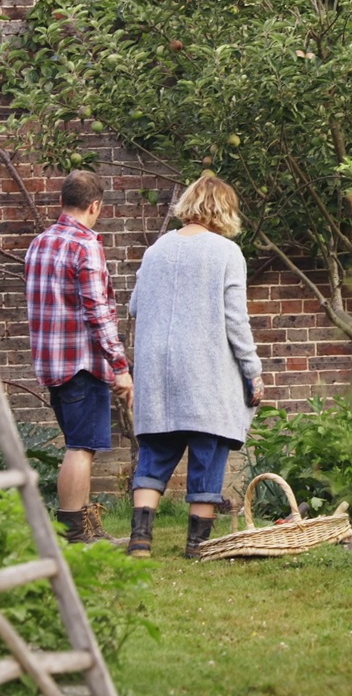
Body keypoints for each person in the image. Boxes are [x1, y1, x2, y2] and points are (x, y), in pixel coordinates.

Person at [125, 174, 264, 559]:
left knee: (155, 454)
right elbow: (235, 320)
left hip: (158, 373)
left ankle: (140, 540)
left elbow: (134, 306)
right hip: (205, 370)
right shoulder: (225, 253)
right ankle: (197, 545)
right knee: (208, 450)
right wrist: (253, 371)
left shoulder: (155, 250)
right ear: (224, 211)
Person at [25, 170, 134, 545]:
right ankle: (75, 534)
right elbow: (97, 311)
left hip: (52, 365)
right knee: (81, 447)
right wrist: (120, 366)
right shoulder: (84, 245)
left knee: (77, 442)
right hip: (83, 364)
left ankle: (86, 528)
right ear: (95, 206)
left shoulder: (39, 243)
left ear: (62, 202)